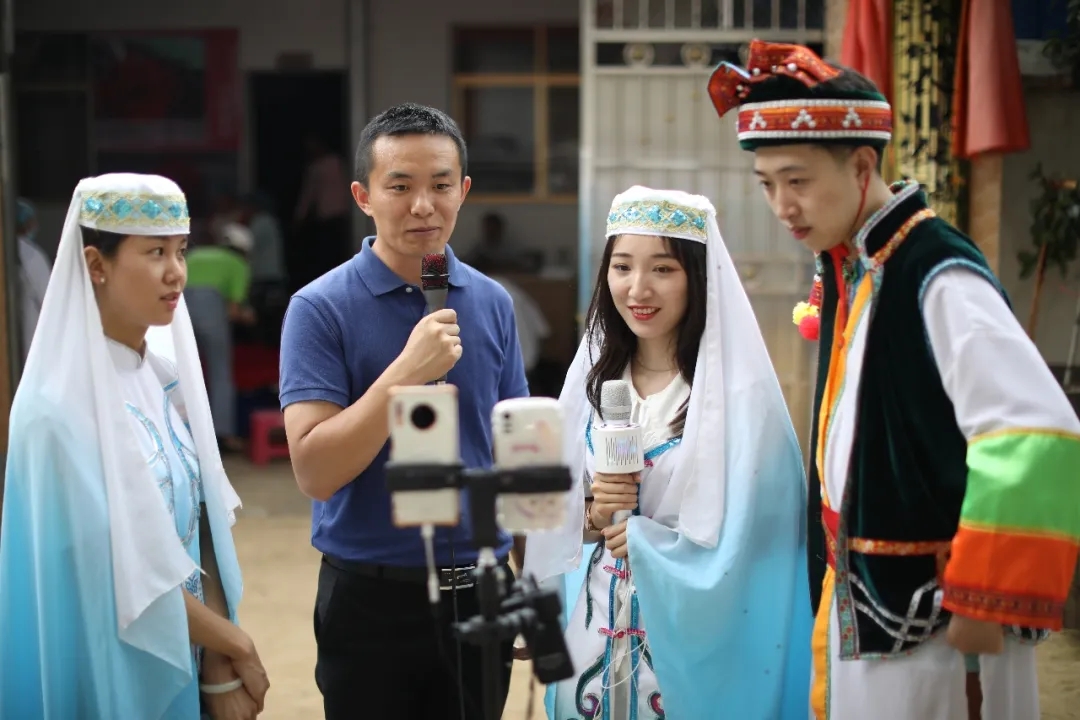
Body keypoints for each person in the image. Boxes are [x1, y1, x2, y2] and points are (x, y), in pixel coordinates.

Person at [708, 40, 1080, 720]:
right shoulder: (857, 265)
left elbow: (1035, 429)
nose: (782, 205)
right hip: (871, 597)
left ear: (861, 164)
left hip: (942, 615)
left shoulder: (935, 270)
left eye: (797, 181)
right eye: (767, 185)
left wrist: (985, 596)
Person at [279, 103, 529, 720]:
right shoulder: (319, 308)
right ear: (363, 196)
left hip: (481, 589)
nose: (423, 206)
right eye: (400, 187)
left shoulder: (492, 302)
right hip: (371, 599)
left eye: (441, 185)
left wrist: (529, 579)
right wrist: (404, 374)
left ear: (463, 190)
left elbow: (514, 455)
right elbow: (315, 472)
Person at [524, 186, 813, 719]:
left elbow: (766, 541)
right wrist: (593, 515)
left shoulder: (740, 398)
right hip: (594, 639)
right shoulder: (594, 383)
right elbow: (552, 512)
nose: (638, 288)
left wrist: (653, 546)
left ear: (697, 277)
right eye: (622, 267)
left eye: (662, 269)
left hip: (693, 654)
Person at [0, 173, 269, 718]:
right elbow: (113, 571)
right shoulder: (56, 409)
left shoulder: (165, 379)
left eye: (181, 250)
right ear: (96, 264)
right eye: (154, 252)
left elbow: (203, 520)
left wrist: (217, 660)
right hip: (112, 665)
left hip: (191, 651)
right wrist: (233, 642)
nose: (176, 272)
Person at [185, 222, 256, 453]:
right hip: (211, 312)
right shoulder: (238, 264)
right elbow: (233, 310)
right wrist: (247, 316)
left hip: (179, 311)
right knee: (220, 373)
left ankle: (184, 433)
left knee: (182, 372)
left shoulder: (194, 255)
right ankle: (222, 435)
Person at [14, 198, 54, 363]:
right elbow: (49, 302)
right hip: (31, 346)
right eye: (31, 220)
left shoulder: (17, 251)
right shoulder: (31, 255)